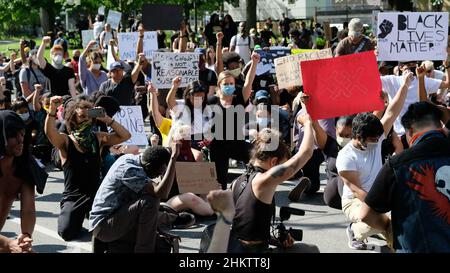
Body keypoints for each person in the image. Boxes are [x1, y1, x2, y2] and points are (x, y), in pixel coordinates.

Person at [336, 71, 414, 250]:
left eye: (378, 138)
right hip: (355, 201)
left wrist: (405, 85)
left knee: (393, 223)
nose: (377, 142)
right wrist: (384, 205)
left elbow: (393, 110)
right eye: (372, 139)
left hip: (378, 194)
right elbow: (356, 190)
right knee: (381, 221)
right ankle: (355, 230)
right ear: (357, 136)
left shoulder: (376, 137)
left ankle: (395, 244)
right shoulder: (345, 157)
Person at [361, 101, 450, 252]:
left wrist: (389, 227)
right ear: (440, 125)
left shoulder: (398, 165)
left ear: (409, 131)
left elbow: (366, 214)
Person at [45, 95, 131, 241]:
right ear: (73, 119)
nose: (85, 119)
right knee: (66, 232)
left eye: (88, 116)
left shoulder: (98, 138)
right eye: (81, 116)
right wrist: (52, 111)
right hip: (74, 197)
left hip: (96, 195)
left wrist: (107, 119)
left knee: (117, 224)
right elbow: (50, 133)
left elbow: (125, 135)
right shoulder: (66, 141)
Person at [229, 117, 316, 253]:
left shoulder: (237, 182)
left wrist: (277, 240)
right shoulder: (263, 181)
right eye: (282, 164)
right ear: (274, 162)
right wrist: (308, 123)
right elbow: (306, 153)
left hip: (236, 248)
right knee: (310, 250)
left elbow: (245, 229)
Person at [89, 142, 180, 253]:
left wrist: (158, 231)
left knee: (162, 245)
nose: (157, 177)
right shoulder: (130, 168)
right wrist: (173, 158)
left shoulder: (138, 160)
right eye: (158, 173)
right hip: (104, 226)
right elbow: (161, 193)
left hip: (118, 219)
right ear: (149, 167)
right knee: (151, 201)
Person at [208, 52, 259, 190]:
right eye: (226, 84)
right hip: (218, 146)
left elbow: (249, 82)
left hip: (237, 143)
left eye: (232, 83)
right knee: (220, 184)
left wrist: (254, 63)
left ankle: (249, 186)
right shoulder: (212, 101)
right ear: (219, 85)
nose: (229, 86)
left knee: (259, 158)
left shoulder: (238, 99)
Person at [381, 61, 450, 136]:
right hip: (399, 134)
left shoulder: (424, 80)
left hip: (419, 132)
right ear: (400, 67)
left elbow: (447, 84)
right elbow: (373, 79)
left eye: (413, 63)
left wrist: (447, 66)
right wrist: (376, 57)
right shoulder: (392, 80)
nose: (411, 67)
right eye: (408, 64)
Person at [0, 111, 35, 253]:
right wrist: (8, 244)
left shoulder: (23, 168)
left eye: (22, 134)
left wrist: (25, 236)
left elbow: (28, 210)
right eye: (14, 136)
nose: (20, 140)